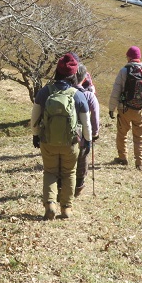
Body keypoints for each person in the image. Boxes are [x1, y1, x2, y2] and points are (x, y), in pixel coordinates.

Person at [31, 53, 92, 220]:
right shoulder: (78, 94)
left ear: (57, 71)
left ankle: (50, 205)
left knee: (50, 172)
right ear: (74, 74)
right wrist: (87, 141)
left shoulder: (44, 92)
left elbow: (34, 119)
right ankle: (66, 208)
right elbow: (86, 124)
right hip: (70, 143)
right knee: (69, 172)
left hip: (48, 141)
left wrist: (36, 136)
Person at [108, 46, 142, 171]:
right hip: (140, 110)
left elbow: (116, 91)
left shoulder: (124, 71)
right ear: (139, 57)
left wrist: (111, 108)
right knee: (139, 136)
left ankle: (122, 158)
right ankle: (140, 163)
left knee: (122, 134)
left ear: (128, 57)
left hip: (124, 109)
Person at [74, 62, 100, 197]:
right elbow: (95, 116)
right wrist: (94, 133)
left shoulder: (62, 92)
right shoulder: (89, 95)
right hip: (83, 135)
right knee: (82, 158)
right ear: (84, 78)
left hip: (64, 135)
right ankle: (79, 185)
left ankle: (63, 185)